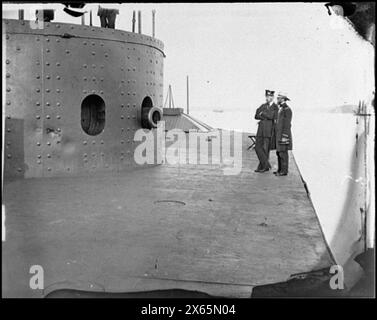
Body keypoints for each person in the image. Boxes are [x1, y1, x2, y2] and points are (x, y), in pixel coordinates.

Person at [254, 90, 279, 173]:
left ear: (273, 97)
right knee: (257, 148)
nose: (268, 98)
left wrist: (263, 114)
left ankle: (262, 166)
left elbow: (272, 116)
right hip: (260, 129)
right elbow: (256, 115)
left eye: (270, 97)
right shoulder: (263, 105)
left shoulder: (275, 107)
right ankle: (266, 165)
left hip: (268, 131)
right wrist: (264, 115)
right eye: (267, 96)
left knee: (265, 149)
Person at [274, 92, 293, 176]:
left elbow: (287, 125)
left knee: (283, 153)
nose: (277, 99)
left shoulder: (287, 110)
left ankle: (284, 171)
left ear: (283, 99)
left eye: (279, 98)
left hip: (284, 135)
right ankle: (280, 169)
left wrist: (284, 136)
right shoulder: (280, 108)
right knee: (279, 152)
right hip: (279, 134)